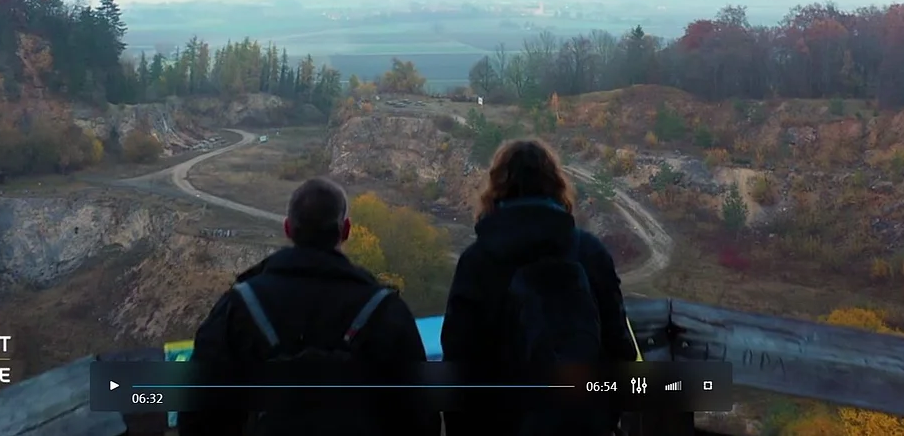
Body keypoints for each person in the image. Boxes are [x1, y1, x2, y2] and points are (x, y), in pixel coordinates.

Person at [178, 177, 440, 436]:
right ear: (345, 230)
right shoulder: (385, 311)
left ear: (288, 229)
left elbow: (198, 413)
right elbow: (421, 417)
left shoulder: (240, 307)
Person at [441, 138, 640, 436]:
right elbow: (621, 352)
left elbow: (459, 365)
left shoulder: (478, 261)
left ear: (496, 188)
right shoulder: (590, 253)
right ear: (556, 185)